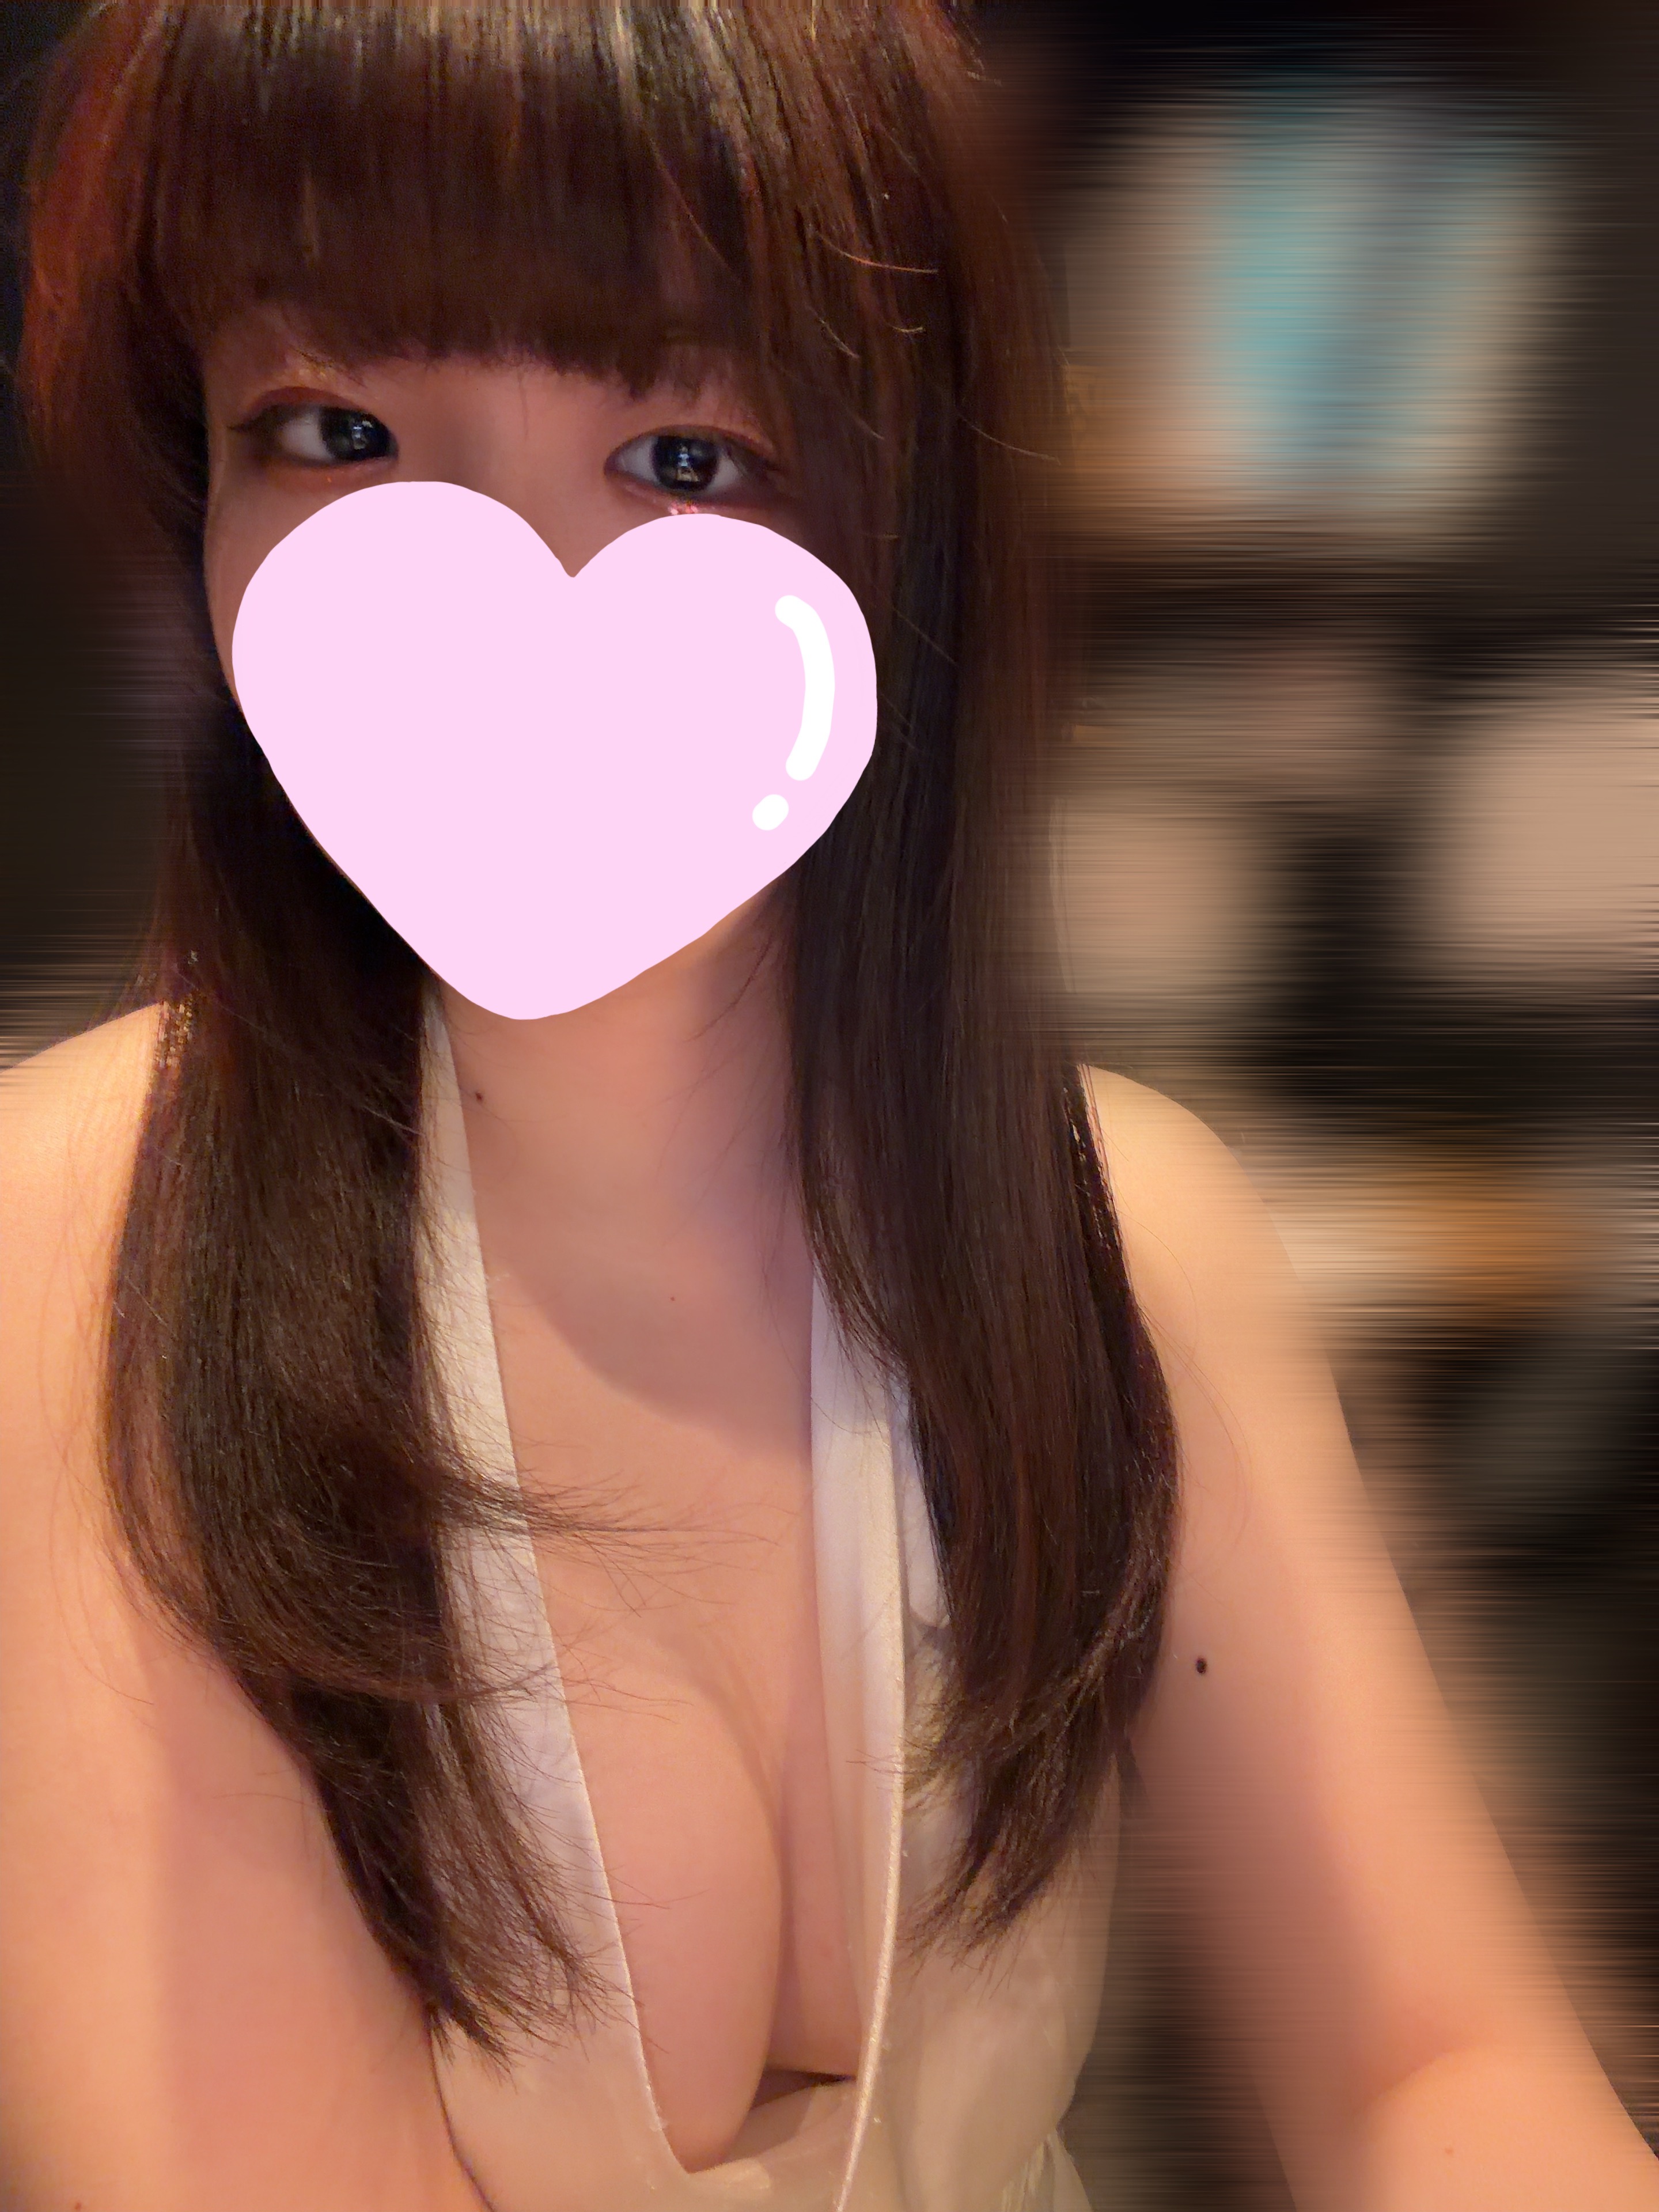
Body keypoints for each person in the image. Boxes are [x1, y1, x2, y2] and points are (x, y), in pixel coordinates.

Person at [1, 5, 1654, 2209]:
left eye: (687, 460)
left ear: (909, 526)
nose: (512, 590)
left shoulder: (1121, 1230)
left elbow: (1431, 2071)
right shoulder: (74, 1257)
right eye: (335, 429)